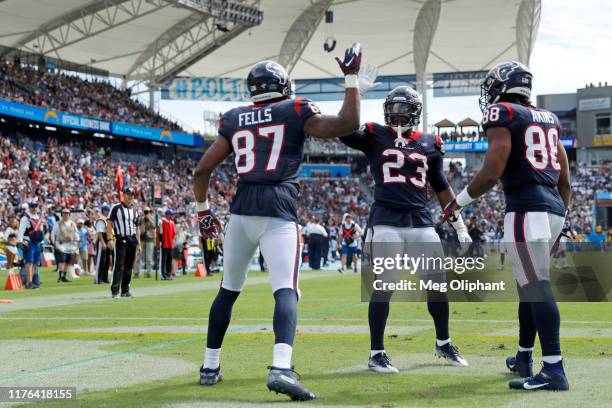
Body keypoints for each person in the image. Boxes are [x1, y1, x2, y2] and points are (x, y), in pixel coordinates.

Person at [192, 43, 373, 400]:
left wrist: (203, 212)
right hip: (278, 208)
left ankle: (210, 365)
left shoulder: (234, 118)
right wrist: (351, 78)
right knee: (286, 289)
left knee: (228, 291)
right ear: (283, 86)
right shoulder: (294, 109)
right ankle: (280, 366)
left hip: (241, 209)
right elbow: (348, 123)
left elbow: (202, 169)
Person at [443, 61, 571, 391]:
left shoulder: (503, 112)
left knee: (536, 286)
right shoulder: (549, 118)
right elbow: (565, 180)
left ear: (503, 86)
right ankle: (524, 356)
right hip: (554, 207)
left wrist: (458, 201)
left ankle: (554, 369)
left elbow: (492, 170)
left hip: (527, 208)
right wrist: (562, 222)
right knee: (528, 286)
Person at [340, 85, 472, 374]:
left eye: (405, 108)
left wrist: (459, 225)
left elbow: (441, 187)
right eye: (394, 108)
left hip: (421, 221)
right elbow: (344, 129)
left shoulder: (430, 142)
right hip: (386, 219)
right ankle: (377, 353)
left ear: (416, 110)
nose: (399, 115)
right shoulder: (374, 134)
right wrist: (353, 90)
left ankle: (443, 342)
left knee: (437, 286)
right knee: (384, 286)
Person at [107, 188, 140, 298]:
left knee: (129, 266)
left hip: (132, 240)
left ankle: (125, 290)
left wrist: (138, 243)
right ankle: (115, 290)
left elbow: (137, 227)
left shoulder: (135, 210)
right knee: (119, 264)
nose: (130, 196)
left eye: (132, 194)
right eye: (128, 194)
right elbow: (109, 224)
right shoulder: (116, 208)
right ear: (123, 195)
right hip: (121, 239)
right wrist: (110, 239)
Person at [17, 201, 45, 289]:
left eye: (35, 206)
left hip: (37, 242)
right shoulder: (25, 218)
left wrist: (42, 242)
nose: (34, 208)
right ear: (29, 207)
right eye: (32, 206)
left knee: (35, 263)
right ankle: (29, 282)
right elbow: (21, 230)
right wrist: (20, 242)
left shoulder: (37, 217)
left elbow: (40, 230)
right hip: (28, 241)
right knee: (29, 262)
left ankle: (31, 281)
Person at [51, 208, 79, 283]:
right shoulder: (57, 223)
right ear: (62, 215)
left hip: (70, 244)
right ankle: (60, 276)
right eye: (64, 214)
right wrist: (54, 242)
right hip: (61, 244)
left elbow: (76, 233)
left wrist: (76, 241)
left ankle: (64, 276)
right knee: (62, 261)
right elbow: (53, 233)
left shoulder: (72, 223)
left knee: (67, 261)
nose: (65, 215)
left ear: (69, 215)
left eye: (67, 213)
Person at [95, 205, 111, 284]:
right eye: (108, 210)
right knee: (101, 260)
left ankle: (105, 278)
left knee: (106, 260)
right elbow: (100, 232)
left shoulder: (107, 219)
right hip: (103, 241)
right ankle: (98, 278)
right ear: (104, 211)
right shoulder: (101, 220)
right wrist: (103, 242)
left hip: (107, 240)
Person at [159, 209, 176, 280]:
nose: (172, 215)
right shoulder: (162, 221)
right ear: (167, 215)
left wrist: (173, 242)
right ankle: (163, 274)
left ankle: (168, 273)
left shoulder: (172, 223)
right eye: (170, 214)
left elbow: (174, 234)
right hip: (164, 243)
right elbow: (160, 232)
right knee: (163, 259)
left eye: (172, 214)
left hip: (170, 244)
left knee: (169, 259)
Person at [140, 207, 156, 278]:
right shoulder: (141, 219)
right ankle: (136, 273)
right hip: (141, 239)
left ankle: (149, 273)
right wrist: (142, 218)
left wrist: (149, 219)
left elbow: (154, 226)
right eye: (145, 211)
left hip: (150, 239)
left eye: (148, 211)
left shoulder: (152, 218)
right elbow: (138, 227)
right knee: (138, 257)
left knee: (149, 258)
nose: (147, 213)